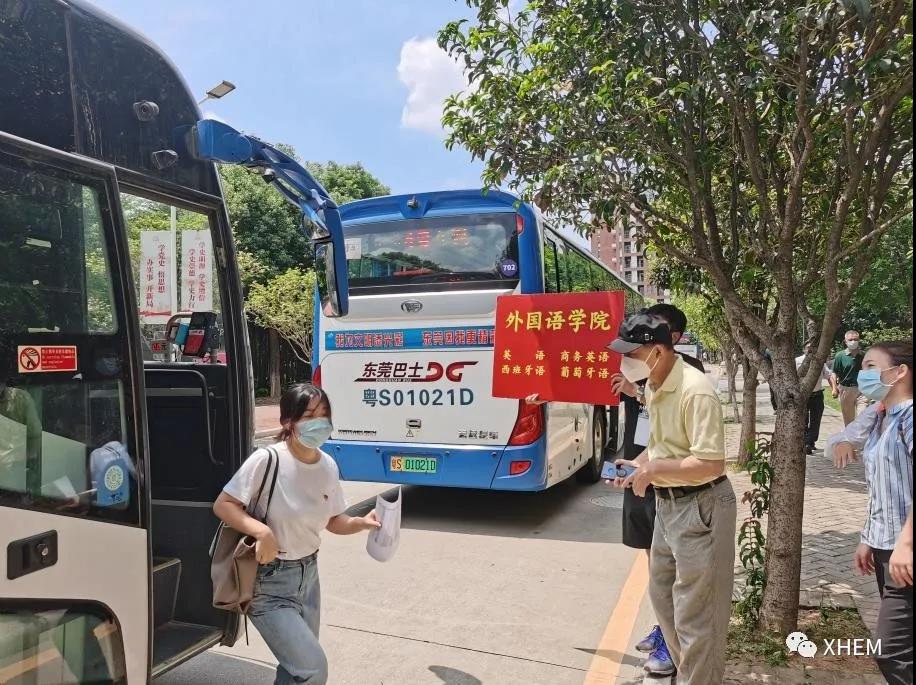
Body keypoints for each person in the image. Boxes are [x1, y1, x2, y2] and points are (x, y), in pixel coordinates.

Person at [213, 383, 380, 685]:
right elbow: (224, 505)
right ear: (288, 421)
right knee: (312, 669)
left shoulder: (327, 465)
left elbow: (334, 520)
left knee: (294, 669)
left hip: (309, 578)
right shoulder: (268, 460)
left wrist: (361, 522)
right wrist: (262, 532)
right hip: (269, 582)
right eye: (309, 415)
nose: (320, 422)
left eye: (324, 414)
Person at [609, 313, 735, 685]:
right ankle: (692, 675)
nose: (625, 361)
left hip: (702, 506)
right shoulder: (653, 385)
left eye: (632, 353)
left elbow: (710, 463)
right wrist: (637, 465)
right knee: (664, 598)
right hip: (667, 505)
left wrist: (653, 470)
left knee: (697, 615)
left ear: (659, 351)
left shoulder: (695, 391)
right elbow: (660, 445)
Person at [829, 340, 912, 684]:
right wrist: (868, 538)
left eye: (871, 367)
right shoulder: (882, 416)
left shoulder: (910, 417)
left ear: (899, 372)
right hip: (885, 547)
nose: (863, 375)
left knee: (891, 651)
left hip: (905, 551)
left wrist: (906, 544)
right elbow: (884, 489)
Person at [796, 343, 838, 454]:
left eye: (812, 348)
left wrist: (834, 388)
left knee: (816, 420)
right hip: (803, 396)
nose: (810, 350)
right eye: (808, 348)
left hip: (817, 395)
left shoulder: (819, 362)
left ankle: (810, 442)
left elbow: (829, 376)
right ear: (804, 349)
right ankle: (806, 442)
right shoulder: (797, 361)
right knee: (803, 420)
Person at [831, 330, 866, 425]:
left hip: (862, 390)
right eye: (850, 340)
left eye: (855, 339)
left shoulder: (864, 355)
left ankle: (861, 434)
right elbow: (834, 372)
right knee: (849, 422)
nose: (853, 341)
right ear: (845, 341)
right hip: (845, 390)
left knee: (863, 418)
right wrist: (834, 388)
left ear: (859, 340)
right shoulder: (840, 356)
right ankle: (850, 434)